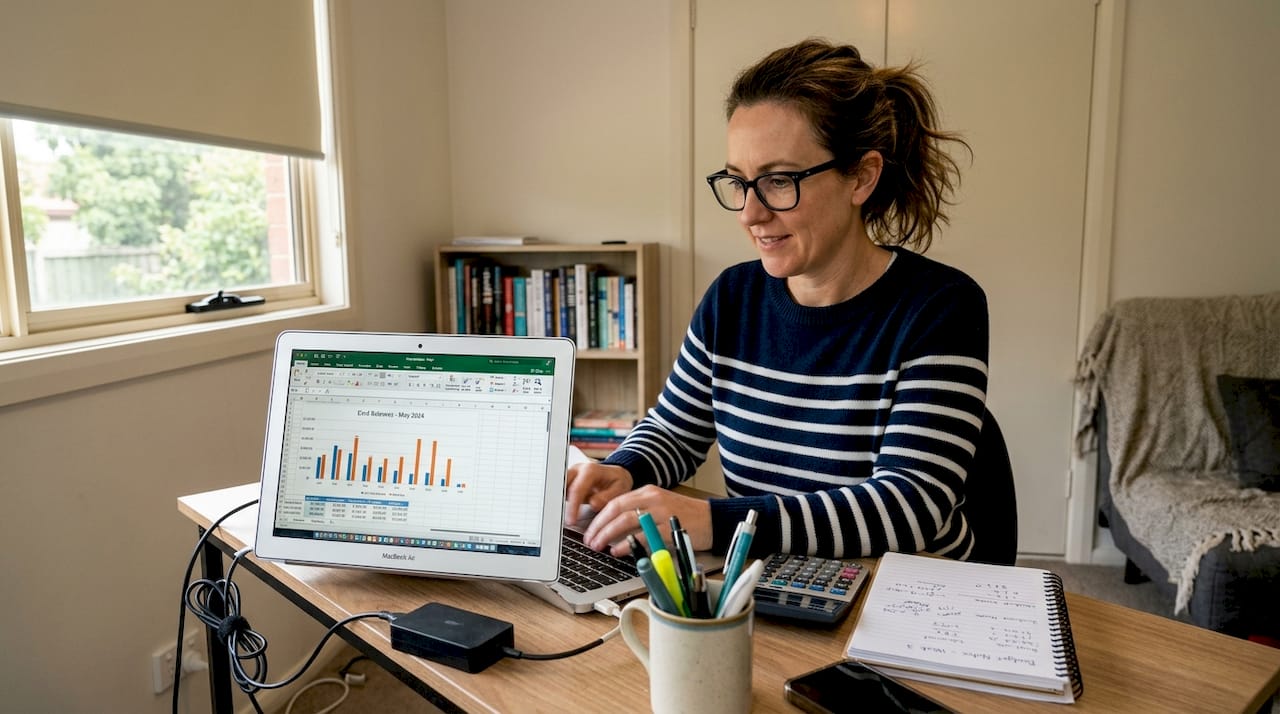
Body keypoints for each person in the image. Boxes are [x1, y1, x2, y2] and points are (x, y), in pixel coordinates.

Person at [566, 38, 989, 563]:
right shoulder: (733, 297)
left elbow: (910, 506)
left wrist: (715, 521)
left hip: (909, 597)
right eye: (739, 182)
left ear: (861, 176)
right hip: (772, 579)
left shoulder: (940, 306)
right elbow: (675, 428)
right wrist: (625, 468)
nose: (749, 213)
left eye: (779, 180)